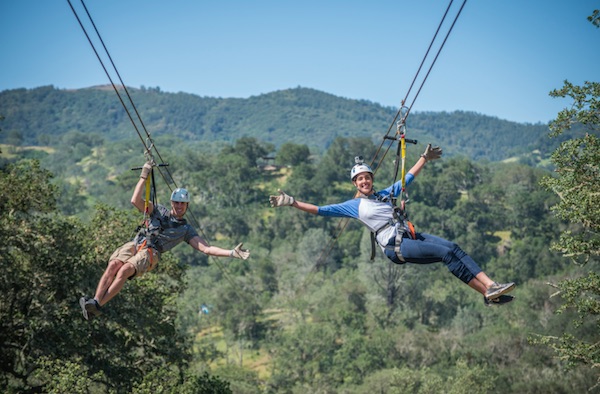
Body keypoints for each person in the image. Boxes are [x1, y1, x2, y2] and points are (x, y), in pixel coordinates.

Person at [269, 144, 515, 305]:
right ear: (355, 184)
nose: (364, 181)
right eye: (360, 179)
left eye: (367, 178)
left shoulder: (384, 194)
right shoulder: (353, 206)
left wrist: (424, 159)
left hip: (408, 234)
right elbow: (320, 210)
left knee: (454, 247)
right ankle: (486, 293)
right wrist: (291, 202)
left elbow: (407, 179)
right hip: (395, 245)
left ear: (371, 180)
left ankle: (491, 285)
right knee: (445, 254)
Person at [80, 162, 250, 320]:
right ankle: (94, 302)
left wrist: (231, 253)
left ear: (187, 206)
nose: (179, 206)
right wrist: (144, 175)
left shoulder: (185, 230)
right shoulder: (158, 210)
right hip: (137, 242)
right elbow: (135, 201)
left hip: (150, 253)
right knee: (113, 265)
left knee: (124, 270)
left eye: (182, 204)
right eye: (176, 203)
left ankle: (98, 305)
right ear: (171, 203)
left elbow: (206, 249)